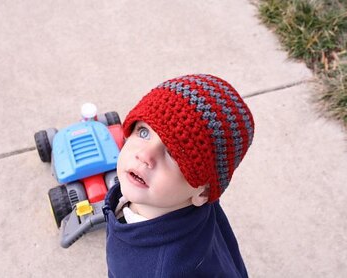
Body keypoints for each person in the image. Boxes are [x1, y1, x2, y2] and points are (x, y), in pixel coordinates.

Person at [102, 74, 255, 277]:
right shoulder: (172, 198)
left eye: (175, 154)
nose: (145, 155)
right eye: (144, 132)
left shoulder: (168, 269)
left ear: (203, 193)